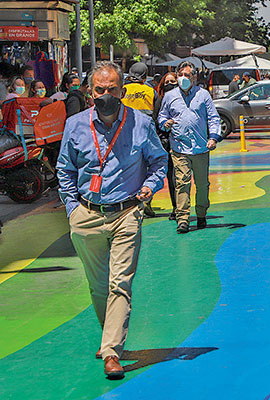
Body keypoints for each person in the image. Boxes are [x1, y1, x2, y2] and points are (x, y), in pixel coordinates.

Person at [56, 61, 167, 378]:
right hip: (86, 215)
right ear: (90, 92)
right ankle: (110, 338)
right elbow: (65, 170)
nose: (106, 95)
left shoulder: (141, 123)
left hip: (127, 213)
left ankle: (112, 352)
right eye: (100, 90)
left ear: (123, 90)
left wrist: (149, 186)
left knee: (120, 283)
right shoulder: (76, 125)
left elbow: (159, 162)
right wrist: (72, 209)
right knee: (98, 286)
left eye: (112, 90)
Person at [158, 60, 222, 234]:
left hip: (201, 148)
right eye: (180, 75)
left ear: (193, 77)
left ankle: (201, 213)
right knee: (181, 183)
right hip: (179, 148)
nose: (183, 78)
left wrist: (214, 137)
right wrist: (165, 123)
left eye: (187, 75)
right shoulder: (170, 96)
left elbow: (213, 118)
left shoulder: (203, 95)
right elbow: (162, 116)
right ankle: (183, 218)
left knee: (202, 185)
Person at [122, 62, 161, 217]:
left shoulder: (122, 90)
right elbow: (157, 115)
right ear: (145, 77)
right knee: (147, 170)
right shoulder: (151, 91)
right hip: (146, 135)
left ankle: (128, 204)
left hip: (124, 136)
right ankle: (147, 202)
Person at [156, 72, 179, 220]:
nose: (170, 84)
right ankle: (176, 208)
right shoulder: (160, 101)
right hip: (166, 143)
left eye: (173, 81)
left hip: (183, 143)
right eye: (167, 82)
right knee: (171, 176)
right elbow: (156, 121)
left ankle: (181, 207)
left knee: (181, 177)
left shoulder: (182, 101)